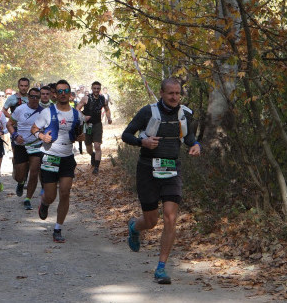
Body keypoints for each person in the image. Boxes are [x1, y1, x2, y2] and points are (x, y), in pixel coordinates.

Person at [121, 77, 201, 285]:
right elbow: (126, 134)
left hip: (172, 168)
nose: (174, 97)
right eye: (170, 93)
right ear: (162, 93)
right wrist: (142, 142)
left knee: (170, 217)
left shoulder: (186, 114)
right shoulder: (147, 112)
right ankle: (134, 228)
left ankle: (161, 267)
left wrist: (196, 145)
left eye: (177, 93)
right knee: (151, 221)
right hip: (147, 168)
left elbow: (189, 136)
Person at [31, 80, 85, 243]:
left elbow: (79, 133)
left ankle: (58, 228)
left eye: (65, 91)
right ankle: (45, 203)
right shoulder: (48, 112)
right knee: (50, 195)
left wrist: (81, 137)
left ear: (70, 93)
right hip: (50, 155)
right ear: (55, 94)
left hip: (67, 157)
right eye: (59, 91)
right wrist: (41, 136)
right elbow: (34, 128)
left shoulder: (77, 115)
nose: (62, 94)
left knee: (65, 192)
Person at [7, 87, 45, 211]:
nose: (35, 99)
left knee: (34, 172)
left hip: (36, 145)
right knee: (19, 175)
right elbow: (9, 124)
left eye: (37, 97)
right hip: (21, 145)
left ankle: (28, 198)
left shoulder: (44, 112)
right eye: (32, 96)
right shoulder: (20, 109)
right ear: (28, 97)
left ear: (40, 98)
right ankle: (21, 181)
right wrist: (15, 135)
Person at [3, 78, 31, 196]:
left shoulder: (32, 98)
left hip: (30, 131)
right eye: (21, 85)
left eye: (25, 86)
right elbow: (4, 110)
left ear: (28, 87)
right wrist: (13, 117)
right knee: (18, 156)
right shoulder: (12, 98)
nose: (24, 88)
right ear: (18, 86)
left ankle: (23, 180)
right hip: (16, 131)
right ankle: (18, 174)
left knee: (29, 158)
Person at [77, 81, 112, 174]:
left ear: (100, 89)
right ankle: (92, 155)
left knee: (97, 145)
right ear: (92, 89)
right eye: (94, 88)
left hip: (97, 124)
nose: (96, 90)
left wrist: (109, 118)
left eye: (98, 88)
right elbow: (77, 109)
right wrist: (83, 117)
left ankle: (96, 167)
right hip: (88, 125)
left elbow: (107, 109)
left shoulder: (102, 99)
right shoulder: (86, 98)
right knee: (88, 148)